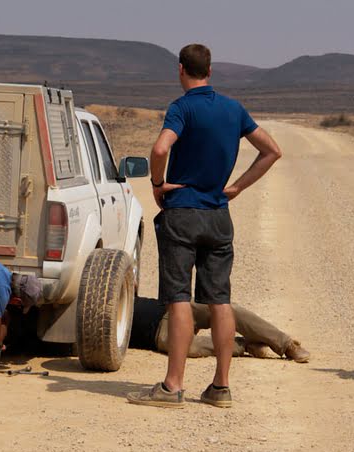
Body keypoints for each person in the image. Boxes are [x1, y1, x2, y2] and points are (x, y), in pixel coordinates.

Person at [127, 43, 283, 409]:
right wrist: (238, 187)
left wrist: (156, 183)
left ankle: (172, 386)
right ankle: (220, 387)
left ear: (181, 69)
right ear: (210, 71)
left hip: (183, 211)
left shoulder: (182, 108)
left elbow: (161, 148)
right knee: (220, 300)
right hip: (218, 213)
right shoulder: (233, 108)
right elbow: (272, 150)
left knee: (179, 299)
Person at [129, 296, 309, 362]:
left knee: (228, 310)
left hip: (169, 307)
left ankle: (287, 344)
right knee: (189, 348)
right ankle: (245, 345)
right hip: (158, 334)